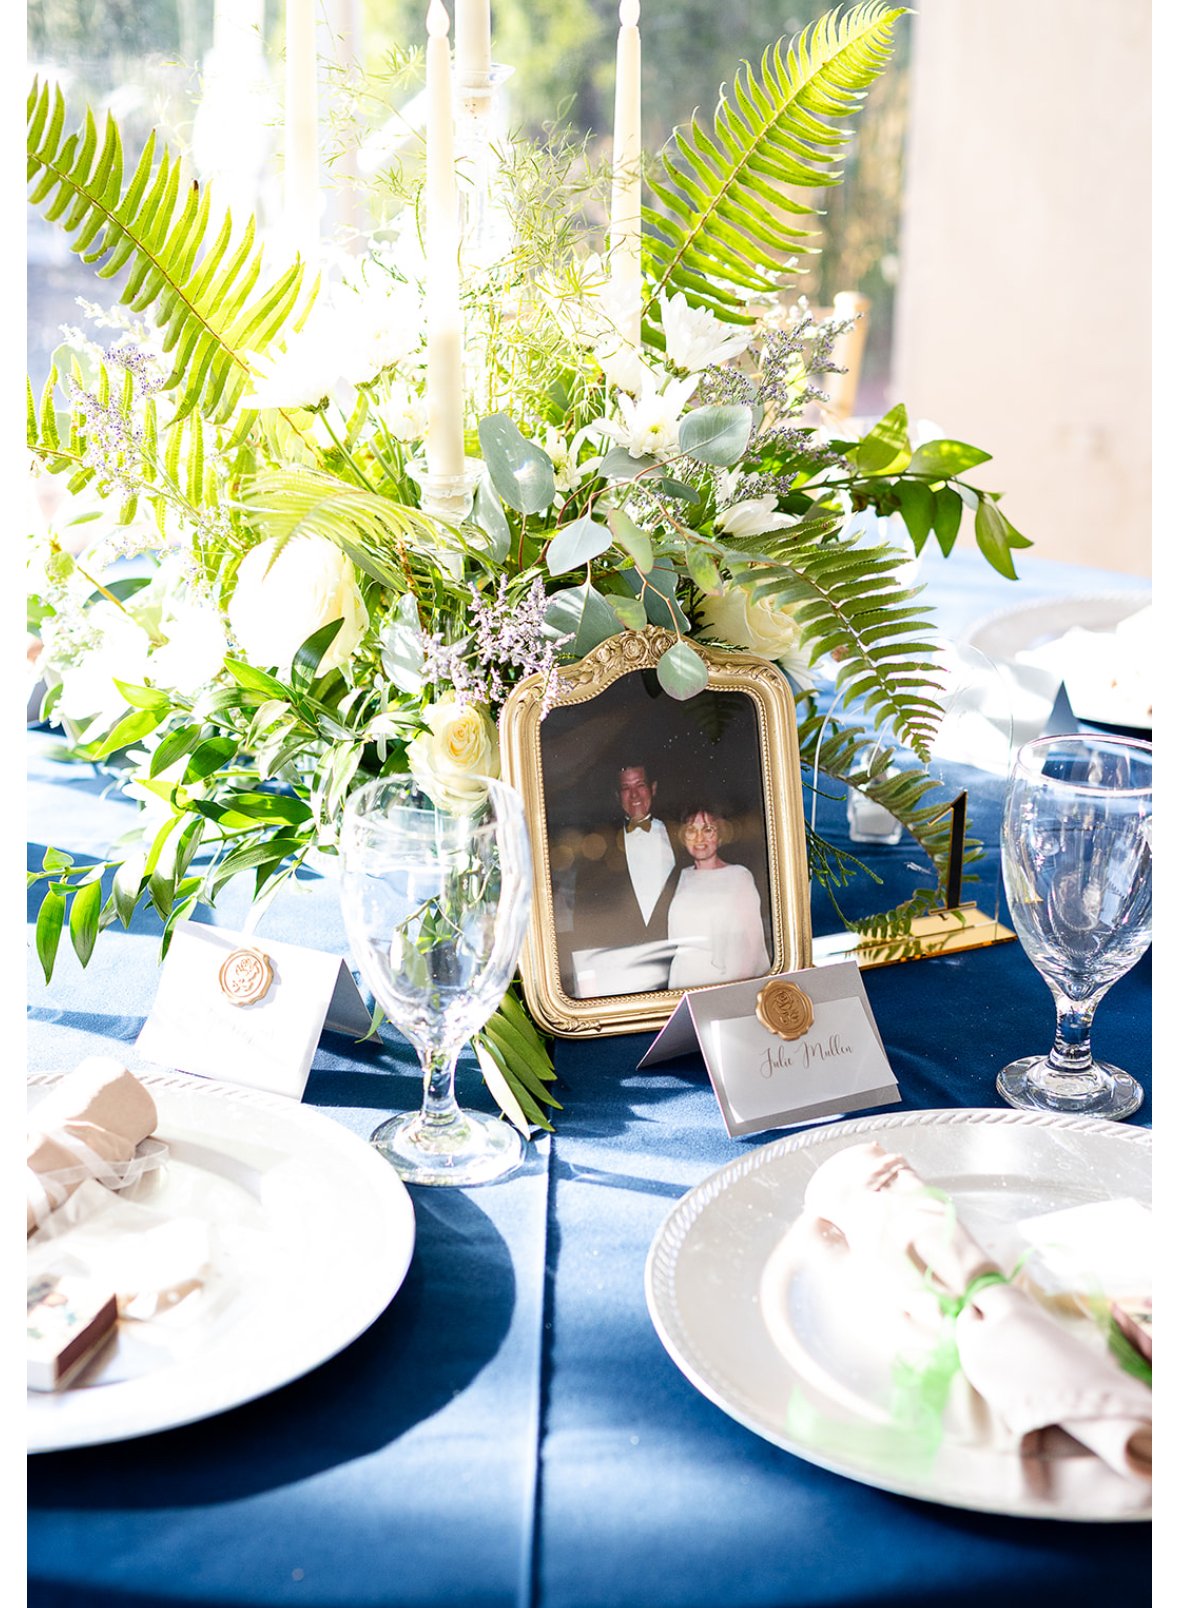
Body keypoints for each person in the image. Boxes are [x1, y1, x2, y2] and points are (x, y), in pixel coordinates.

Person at [561, 762, 682, 996]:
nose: (634, 794)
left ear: (653, 788)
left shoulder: (686, 841)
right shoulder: (597, 854)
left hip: (682, 969)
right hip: (625, 980)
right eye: (626, 788)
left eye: (640, 785)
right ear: (618, 796)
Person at [666, 807, 770, 989]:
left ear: (720, 836)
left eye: (708, 830)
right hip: (685, 979)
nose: (700, 839)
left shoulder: (738, 876)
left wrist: (738, 990)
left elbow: (753, 943)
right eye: (692, 830)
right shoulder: (684, 876)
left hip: (724, 981)